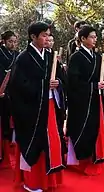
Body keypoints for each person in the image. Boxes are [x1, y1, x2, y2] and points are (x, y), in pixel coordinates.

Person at [9, 22, 65, 191]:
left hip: (49, 106)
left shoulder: (49, 56)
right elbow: (18, 86)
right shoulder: (23, 58)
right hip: (31, 110)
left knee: (51, 142)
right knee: (33, 143)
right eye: (43, 35)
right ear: (33, 37)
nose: (47, 38)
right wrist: (44, 85)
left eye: (48, 35)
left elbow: (60, 79)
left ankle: (49, 180)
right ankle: (31, 181)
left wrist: (58, 83)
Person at [67, 25, 104, 175]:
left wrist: (102, 83)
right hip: (81, 100)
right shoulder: (76, 57)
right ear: (82, 39)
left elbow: (103, 76)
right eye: (91, 37)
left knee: (95, 127)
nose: (94, 39)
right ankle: (78, 160)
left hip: (94, 98)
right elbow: (73, 81)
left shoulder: (97, 57)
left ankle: (94, 157)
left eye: (95, 37)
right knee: (81, 127)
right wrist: (92, 85)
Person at [0, 30, 19, 169]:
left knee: (10, 121)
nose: (12, 44)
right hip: (1, 91)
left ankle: (8, 153)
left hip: (13, 92)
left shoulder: (17, 55)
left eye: (14, 41)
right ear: (4, 41)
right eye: (10, 41)